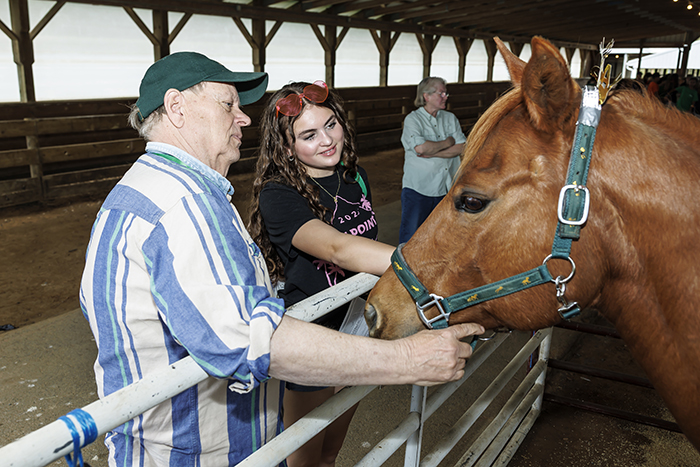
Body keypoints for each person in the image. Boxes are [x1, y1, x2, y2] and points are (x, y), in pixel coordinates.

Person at [80, 52, 484, 467]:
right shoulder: (183, 206)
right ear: (176, 107)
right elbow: (252, 339)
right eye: (228, 104)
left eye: (330, 125)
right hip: (193, 451)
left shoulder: (155, 191)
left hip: (208, 438)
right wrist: (408, 359)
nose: (243, 118)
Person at [248, 81, 395, 467]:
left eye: (331, 125)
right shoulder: (278, 194)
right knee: (304, 459)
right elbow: (337, 248)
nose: (327, 140)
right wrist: (423, 265)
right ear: (286, 146)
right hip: (312, 331)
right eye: (309, 135)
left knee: (330, 453)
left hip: (355, 321)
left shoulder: (354, 175)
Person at [399, 77, 466, 244]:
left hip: (446, 186)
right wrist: (448, 143)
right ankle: (403, 269)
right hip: (419, 188)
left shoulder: (450, 118)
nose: (445, 96)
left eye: (446, 93)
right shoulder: (413, 120)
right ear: (426, 96)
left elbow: (463, 147)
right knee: (411, 236)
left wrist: (435, 152)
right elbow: (421, 148)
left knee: (439, 235)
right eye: (441, 93)